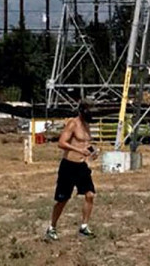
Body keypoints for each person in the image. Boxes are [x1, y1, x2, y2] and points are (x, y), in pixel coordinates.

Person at [45, 101, 98, 241]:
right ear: (81, 112)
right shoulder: (73, 124)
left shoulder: (87, 125)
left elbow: (86, 143)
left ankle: (84, 226)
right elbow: (61, 143)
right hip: (68, 166)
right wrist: (79, 150)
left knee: (90, 195)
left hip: (82, 166)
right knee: (63, 199)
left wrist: (93, 151)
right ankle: (52, 227)